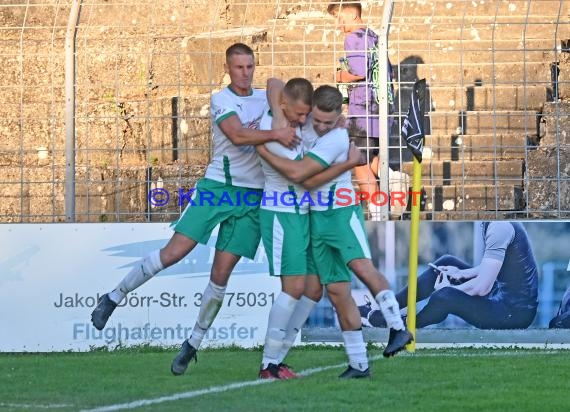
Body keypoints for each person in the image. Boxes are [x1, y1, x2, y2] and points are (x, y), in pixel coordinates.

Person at [90, 43, 300, 376]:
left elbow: (276, 83)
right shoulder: (222, 100)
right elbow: (236, 134)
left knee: (221, 275)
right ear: (228, 69)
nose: (246, 73)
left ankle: (192, 344)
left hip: (251, 199)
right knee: (173, 253)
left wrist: (274, 102)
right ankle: (114, 296)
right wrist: (277, 131)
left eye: (250, 66)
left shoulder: (263, 96)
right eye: (239, 67)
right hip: (218, 189)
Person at [256, 86, 413, 378]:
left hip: (340, 215)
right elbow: (276, 82)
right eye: (318, 120)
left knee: (363, 268)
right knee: (338, 291)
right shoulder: (309, 125)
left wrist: (262, 148)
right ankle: (359, 364)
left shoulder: (338, 138)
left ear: (339, 117)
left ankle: (398, 328)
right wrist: (278, 113)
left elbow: (305, 180)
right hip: (317, 220)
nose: (322, 126)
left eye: (329, 122)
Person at [256, 78, 363, 379]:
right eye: (299, 115)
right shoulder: (273, 127)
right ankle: (268, 364)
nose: (303, 122)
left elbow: (276, 82)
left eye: (307, 116)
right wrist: (264, 146)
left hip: (305, 214)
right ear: (284, 105)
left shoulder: (296, 120)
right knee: (293, 289)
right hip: (281, 212)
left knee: (314, 288)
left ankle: (279, 357)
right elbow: (297, 173)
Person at [393, 221, 539, 329]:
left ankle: (404, 323)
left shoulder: (499, 227)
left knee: (444, 296)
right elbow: (491, 266)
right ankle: (389, 308)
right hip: (502, 297)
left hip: (514, 313)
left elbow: (482, 288)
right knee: (446, 262)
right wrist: (460, 273)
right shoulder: (497, 222)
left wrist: (447, 288)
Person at [327, 1, 384, 220]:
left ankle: (377, 212)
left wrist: (340, 76)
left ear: (352, 16)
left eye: (339, 19)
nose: (338, 25)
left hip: (363, 108)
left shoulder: (353, 38)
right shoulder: (374, 35)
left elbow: (359, 72)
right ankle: (391, 176)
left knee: (358, 162)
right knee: (370, 158)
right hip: (377, 106)